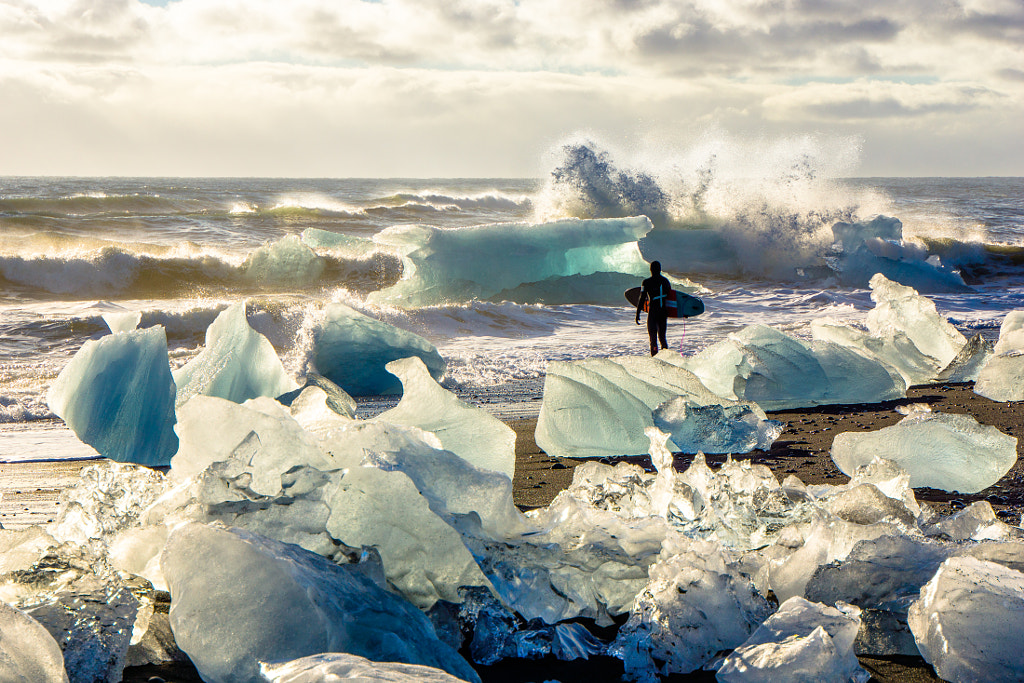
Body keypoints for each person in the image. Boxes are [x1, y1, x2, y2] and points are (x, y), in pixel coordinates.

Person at [635, 260, 672, 356]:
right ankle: (666, 358)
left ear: (650, 269)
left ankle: (655, 357)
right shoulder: (665, 281)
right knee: (662, 337)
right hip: (663, 312)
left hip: (653, 313)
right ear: (660, 270)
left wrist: (638, 313)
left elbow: (642, 298)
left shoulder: (646, 282)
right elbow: (671, 299)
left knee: (653, 339)